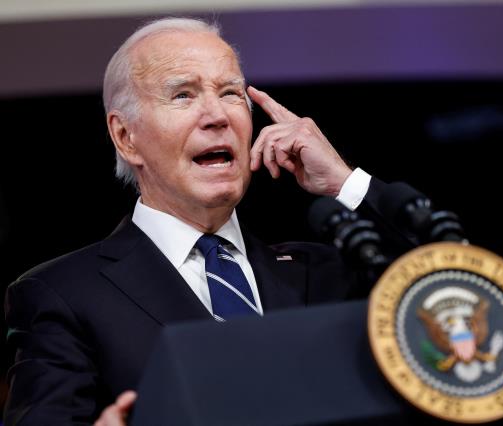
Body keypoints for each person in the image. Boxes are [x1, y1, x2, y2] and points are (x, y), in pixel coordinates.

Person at [3, 17, 403, 426]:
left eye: (230, 93)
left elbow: (452, 293)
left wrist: (345, 181)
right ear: (125, 137)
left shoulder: (326, 271)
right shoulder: (63, 294)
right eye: (183, 95)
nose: (217, 115)